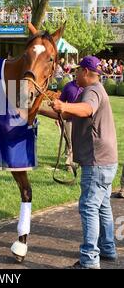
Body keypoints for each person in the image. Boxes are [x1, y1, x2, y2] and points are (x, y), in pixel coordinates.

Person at [39, 56, 118, 269]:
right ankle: (108, 249)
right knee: (102, 206)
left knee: (89, 208)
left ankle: (89, 261)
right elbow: (68, 115)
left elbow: (86, 109)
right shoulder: (98, 89)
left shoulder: (91, 91)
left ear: (85, 71)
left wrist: (64, 103)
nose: (74, 75)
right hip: (107, 160)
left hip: (97, 162)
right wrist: (37, 109)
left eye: (77, 71)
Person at [59, 77, 84, 173]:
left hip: (82, 120)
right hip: (69, 119)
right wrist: (59, 117)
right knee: (69, 141)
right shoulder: (68, 86)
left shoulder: (86, 87)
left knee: (80, 141)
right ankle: (68, 164)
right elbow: (61, 101)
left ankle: (79, 162)